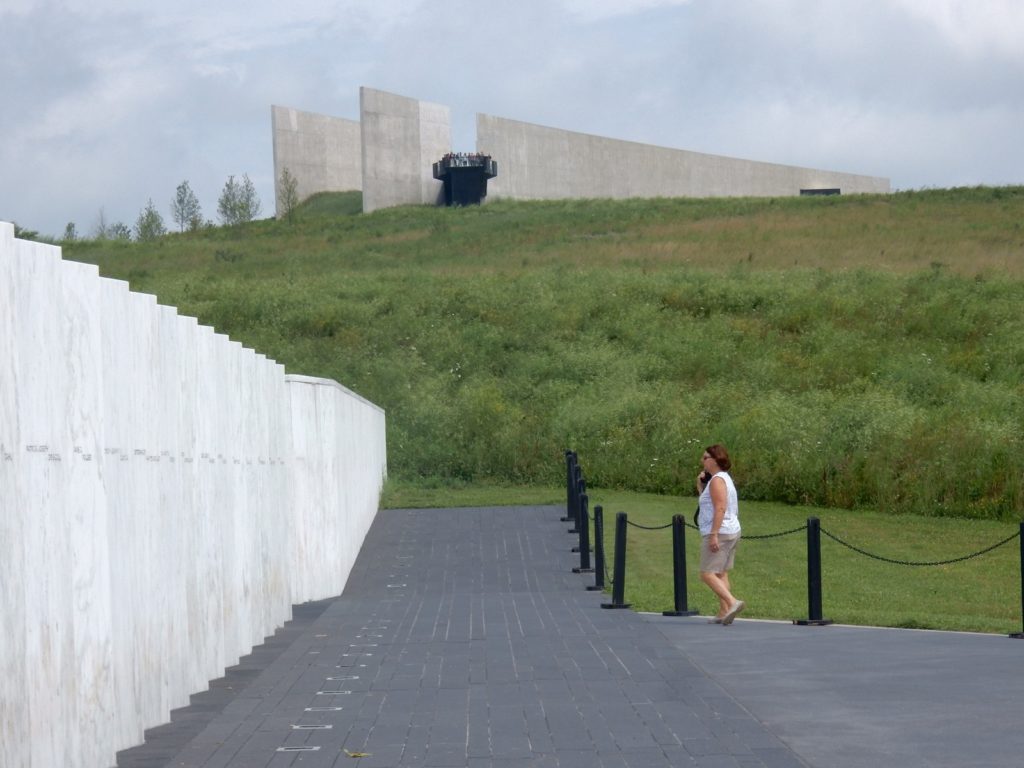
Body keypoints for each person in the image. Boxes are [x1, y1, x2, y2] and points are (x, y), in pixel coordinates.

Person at [696, 444, 745, 625]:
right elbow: (707, 502)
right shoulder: (722, 478)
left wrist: (714, 534)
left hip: (720, 531)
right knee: (721, 573)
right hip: (731, 530)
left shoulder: (717, 480)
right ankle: (724, 611)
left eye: (705, 458)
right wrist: (700, 485)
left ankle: (732, 602)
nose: (702, 461)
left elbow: (720, 508)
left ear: (715, 460)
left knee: (707, 573)